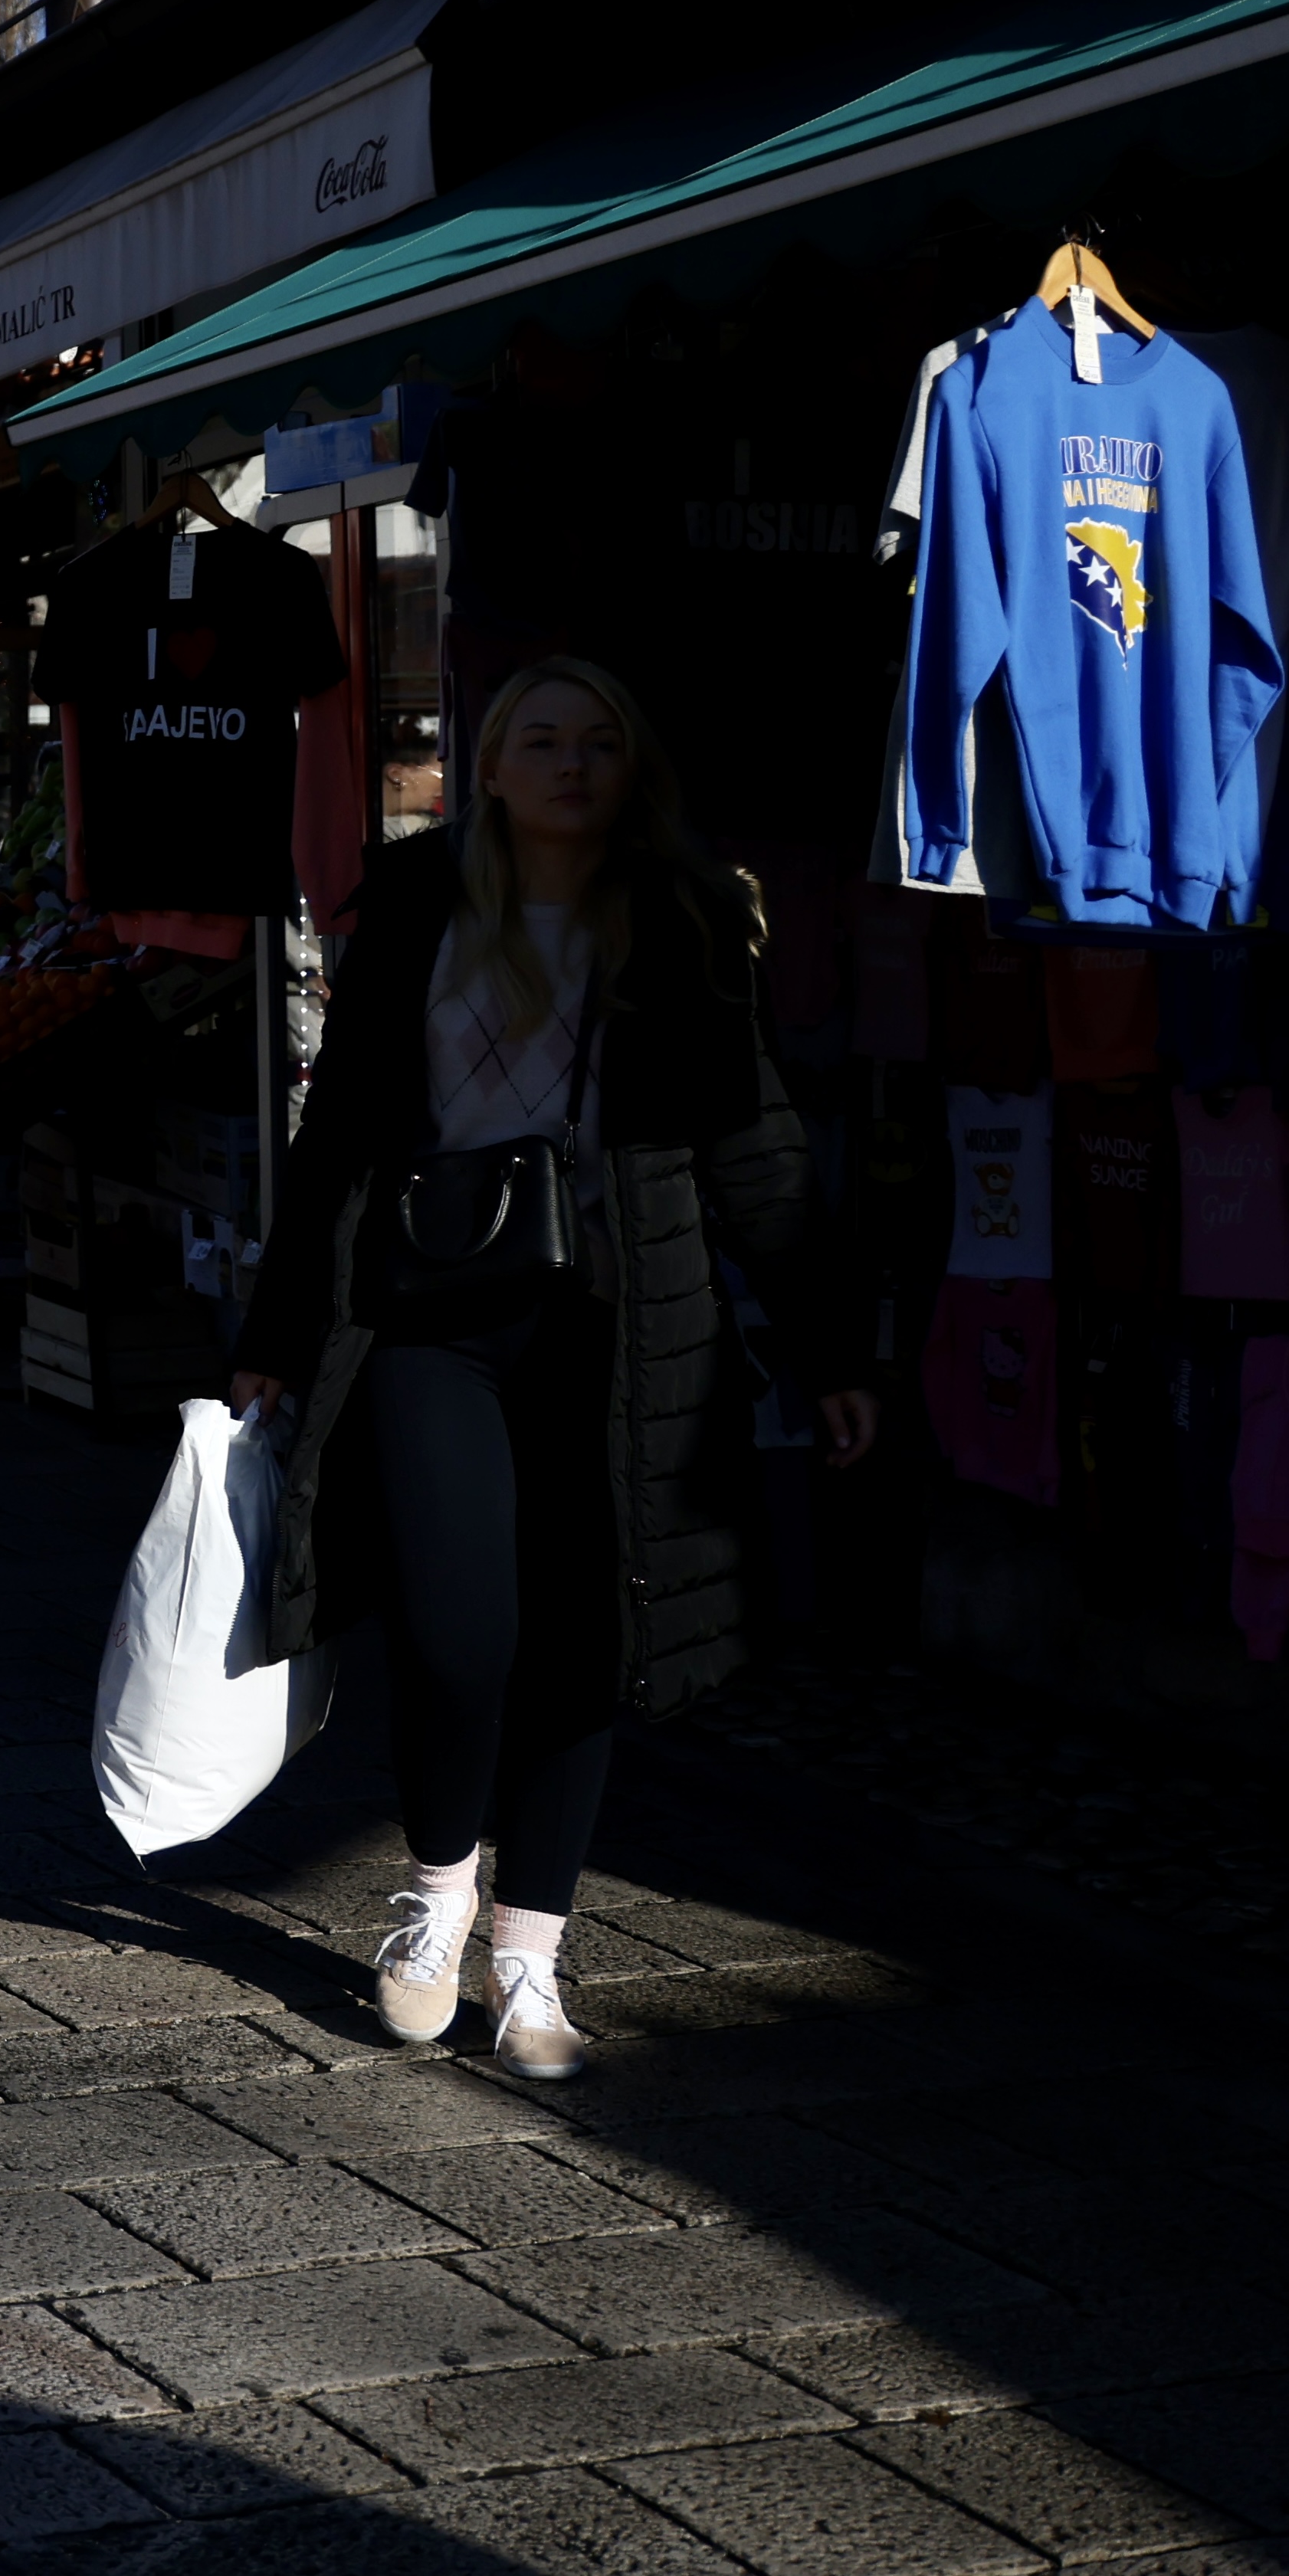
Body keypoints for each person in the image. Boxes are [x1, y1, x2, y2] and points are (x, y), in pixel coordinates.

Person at [228, 655, 877, 2083]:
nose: (570, 764)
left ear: (629, 765)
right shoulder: (415, 903)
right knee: (457, 1632)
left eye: (597, 741)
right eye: (540, 740)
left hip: (619, 1330)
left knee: (586, 1641)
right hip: (428, 1320)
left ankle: (530, 1958)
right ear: (490, 766)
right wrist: (273, 1336)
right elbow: (337, 1131)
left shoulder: (687, 917)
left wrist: (825, 1344)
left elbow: (751, 1143)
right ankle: (437, 1892)